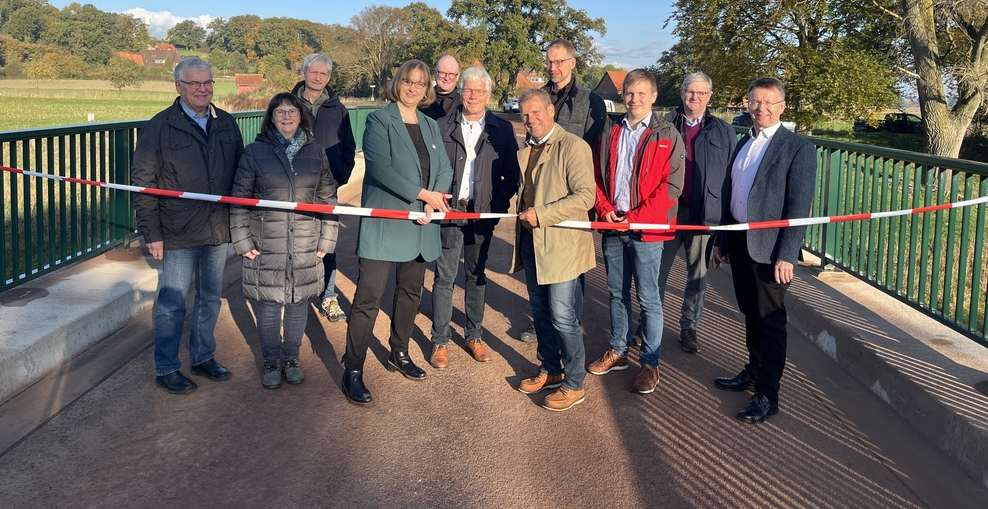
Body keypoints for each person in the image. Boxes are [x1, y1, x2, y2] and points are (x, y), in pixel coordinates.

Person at [342, 59, 453, 406]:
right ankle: (354, 369)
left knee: (410, 295)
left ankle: (399, 352)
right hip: (386, 227)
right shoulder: (379, 120)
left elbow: (445, 168)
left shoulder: (430, 125)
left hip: (422, 226)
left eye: (420, 83)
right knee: (368, 299)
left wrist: (433, 205)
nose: (413, 88)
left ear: (426, 90)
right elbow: (381, 169)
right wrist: (424, 198)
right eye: (408, 81)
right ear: (397, 83)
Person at [131, 57, 244, 394]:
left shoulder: (225, 123)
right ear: (178, 86)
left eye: (207, 82)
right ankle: (166, 368)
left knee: (210, 298)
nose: (202, 89)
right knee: (172, 302)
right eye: (194, 83)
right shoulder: (160, 126)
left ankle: (202, 356)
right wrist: (152, 232)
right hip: (177, 231)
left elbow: (241, 174)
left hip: (217, 229)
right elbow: (143, 181)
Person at [713, 77, 816, 424]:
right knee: (750, 314)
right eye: (755, 102)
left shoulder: (798, 147)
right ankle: (753, 372)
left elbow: (799, 206)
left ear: (782, 107)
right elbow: (734, 195)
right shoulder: (745, 141)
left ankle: (768, 394)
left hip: (771, 251)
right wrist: (724, 241)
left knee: (770, 322)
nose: (761, 109)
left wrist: (788, 254)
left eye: (769, 102)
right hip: (741, 244)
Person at [230, 93, 339, 389]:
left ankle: (291, 358)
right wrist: (242, 241)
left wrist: (327, 241)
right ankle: (270, 360)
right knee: (267, 304)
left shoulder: (316, 152)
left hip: (306, 240)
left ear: (301, 117)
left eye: (292, 111)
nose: (287, 117)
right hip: (267, 241)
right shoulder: (254, 152)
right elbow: (238, 200)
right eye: (280, 112)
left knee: (297, 302)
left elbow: (328, 199)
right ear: (271, 117)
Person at [588, 69, 685, 394]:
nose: (634, 99)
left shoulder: (668, 134)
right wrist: (604, 209)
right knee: (617, 292)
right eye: (630, 93)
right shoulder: (611, 130)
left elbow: (672, 185)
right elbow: (596, 178)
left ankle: (649, 364)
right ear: (623, 95)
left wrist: (637, 218)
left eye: (642, 93)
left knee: (649, 298)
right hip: (613, 226)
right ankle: (618, 351)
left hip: (647, 231)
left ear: (654, 97)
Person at [429, 66, 521, 369]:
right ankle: (440, 340)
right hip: (449, 212)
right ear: (461, 91)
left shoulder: (502, 129)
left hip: (481, 213)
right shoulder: (441, 126)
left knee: (475, 275)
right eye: (468, 89)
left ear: (489, 96)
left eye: (480, 91)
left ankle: (473, 335)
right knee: (444, 278)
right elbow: (431, 170)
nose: (473, 96)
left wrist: (496, 207)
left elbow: (511, 176)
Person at [511, 89, 596, 412]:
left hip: (561, 246)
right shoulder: (528, 148)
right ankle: (550, 369)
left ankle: (574, 383)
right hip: (532, 242)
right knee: (541, 311)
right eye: (525, 114)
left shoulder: (574, 146)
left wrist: (543, 214)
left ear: (550, 110)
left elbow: (585, 196)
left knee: (563, 316)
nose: (530, 120)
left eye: (536, 112)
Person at [519, 38, 607, 344]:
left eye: (559, 62)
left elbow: (593, 151)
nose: (553, 67)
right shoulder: (539, 96)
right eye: (549, 62)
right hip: (542, 191)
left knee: (571, 265)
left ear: (572, 63)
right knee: (543, 259)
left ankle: (570, 320)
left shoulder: (589, 99)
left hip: (573, 188)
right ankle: (545, 321)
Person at [654, 71, 735, 354]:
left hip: (703, 214)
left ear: (710, 97)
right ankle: (651, 323)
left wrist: (723, 224)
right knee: (656, 272)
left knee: (697, 275)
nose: (695, 97)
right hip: (667, 212)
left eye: (702, 93)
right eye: (691, 91)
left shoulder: (723, 131)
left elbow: (730, 179)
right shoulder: (662, 125)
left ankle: (689, 327)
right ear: (682, 93)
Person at [290, 53, 357, 323]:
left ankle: (328, 296)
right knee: (292, 242)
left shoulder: (338, 109)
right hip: (293, 189)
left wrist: (341, 177)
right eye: (313, 72)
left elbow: (349, 147)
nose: (318, 77)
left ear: (329, 78)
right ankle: (294, 296)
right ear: (304, 72)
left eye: (324, 74)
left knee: (326, 242)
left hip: (327, 189)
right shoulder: (287, 104)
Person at [420, 55, 461, 120]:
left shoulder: (463, 105)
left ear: (458, 76)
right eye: (443, 73)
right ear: (435, 72)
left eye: (451, 74)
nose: (447, 78)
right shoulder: (421, 101)